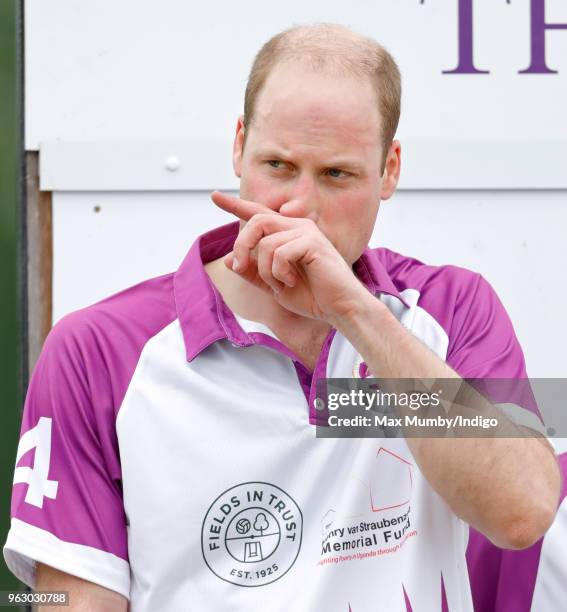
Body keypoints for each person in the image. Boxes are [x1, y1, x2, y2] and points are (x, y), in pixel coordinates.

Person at [3, 23, 561, 612]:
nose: (300, 207)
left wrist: (354, 313)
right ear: (238, 146)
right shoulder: (97, 349)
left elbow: (522, 511)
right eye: (277, 165)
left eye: (336, 175)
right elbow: (72, 598)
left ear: (389, 170)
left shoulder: (451, 309)